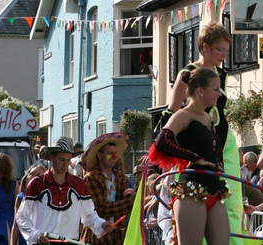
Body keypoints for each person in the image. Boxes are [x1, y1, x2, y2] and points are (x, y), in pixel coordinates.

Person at [165, 21, 243, 245]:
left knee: (232, 197)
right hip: (198, 144)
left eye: (226, 50)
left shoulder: (222, 74)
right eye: (220, 49)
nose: (223, 55)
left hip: (223, 140)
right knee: (199, 195)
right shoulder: (188, 73)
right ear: (205, 48)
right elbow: (172, 110)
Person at [149, 67, 230, 245]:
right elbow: (162, 140)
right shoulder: (182, 116)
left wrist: (219, 166)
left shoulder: (209, 118)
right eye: (215, 89)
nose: (219, 94)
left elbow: (214, 148)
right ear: (200, 91)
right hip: (191, 190)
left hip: (215, 189)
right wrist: (192, 157)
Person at [16, 136, 113, 244]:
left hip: (69, 242)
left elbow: (89, 215)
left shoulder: (79, 184)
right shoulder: (37, 183)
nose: (65, 164)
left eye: (68, 160)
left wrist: (101, 224)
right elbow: (22, 216)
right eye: (61, 159)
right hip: (43, 242)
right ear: (52, 157)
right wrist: (35, 234)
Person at [79, 132, 134, 245]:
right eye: (110, 153)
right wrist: (130, 203)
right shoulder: (91, 178)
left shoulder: (121, 177)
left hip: (117, 235)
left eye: (115, 153)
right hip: (96, 236)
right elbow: (100, 208)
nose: (114, 157)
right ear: (100, 155)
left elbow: (125, 201)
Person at [11, 163, 47, 245]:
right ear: (29, 178)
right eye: (38, 175)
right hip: (26, 238)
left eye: (43, 175)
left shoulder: (48, 198)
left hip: (42, 239)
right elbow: (16, 224)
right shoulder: (21, 197)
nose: (41, 178)